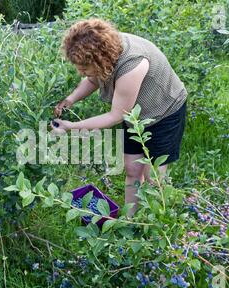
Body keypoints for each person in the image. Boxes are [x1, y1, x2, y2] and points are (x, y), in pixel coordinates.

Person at [51, 18, 187, 217]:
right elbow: (92, 79)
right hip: (135, 114)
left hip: (165, 112)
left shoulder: (132, 65)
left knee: (153, 176)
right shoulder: (106, 53)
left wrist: (71, 127)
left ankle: (158, 223)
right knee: (132, 169)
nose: (80, 71)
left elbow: (115, 115)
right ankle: (131, 220)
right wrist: (70, 99)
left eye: (84, 66)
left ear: (99, 59)